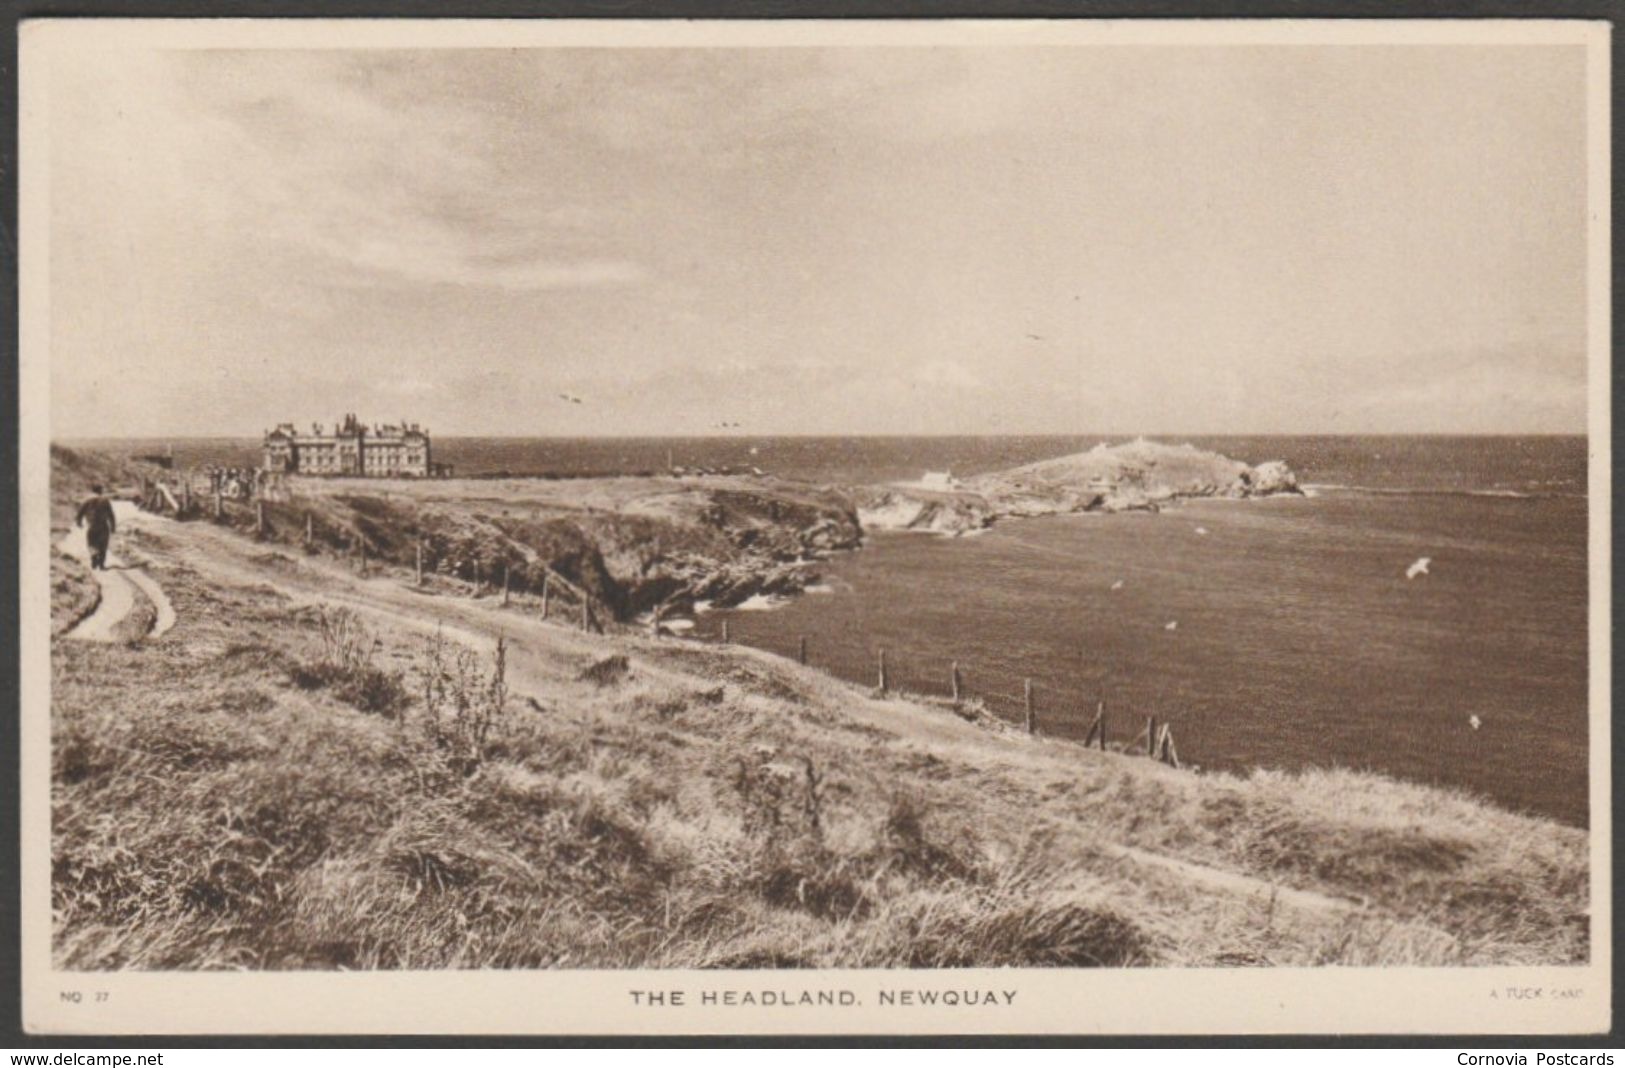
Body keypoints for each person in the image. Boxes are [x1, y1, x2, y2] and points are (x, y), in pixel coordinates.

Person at [75, 484, 117, 571]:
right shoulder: (105, 500)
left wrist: (79, 522)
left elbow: (80, 512)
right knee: (103, 546)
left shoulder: (86, 500)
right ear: (100, 491)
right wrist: (113, 526)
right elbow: (111, 515)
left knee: (91, 543)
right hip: (103, 526)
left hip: (92, 526)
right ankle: (101, 564)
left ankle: (94, 556)